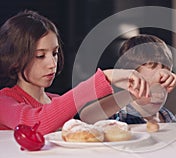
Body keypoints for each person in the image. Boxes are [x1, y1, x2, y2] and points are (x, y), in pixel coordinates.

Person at [0, 10, 151, 135]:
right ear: (16, 60)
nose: (52, 64)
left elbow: (88, 121)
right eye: (40, 56)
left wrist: (131, 93)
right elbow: (35, 124)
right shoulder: (4, 101)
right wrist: (104, 77)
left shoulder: (56, 101)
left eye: (55, 53)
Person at [108, 34, 176, 124]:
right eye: (148, 86)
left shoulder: (166, 115)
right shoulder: (119, 118)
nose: (159, 95)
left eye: (163, 84)